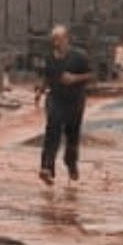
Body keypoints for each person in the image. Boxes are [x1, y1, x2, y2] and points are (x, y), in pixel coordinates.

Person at [34, 24, 92, 185]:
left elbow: (91, 75)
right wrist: (40, 90)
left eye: (58, 39)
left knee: (72, 135)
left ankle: (71, 164)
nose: (55, 42)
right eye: (53, 39)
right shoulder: (50, 58)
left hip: (75, 101)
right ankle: (46, 168)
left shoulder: (80, 57)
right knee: (52, 131)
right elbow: (46, 75)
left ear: (66, 39)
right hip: (55, 99)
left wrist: (74, 79)